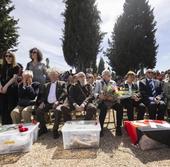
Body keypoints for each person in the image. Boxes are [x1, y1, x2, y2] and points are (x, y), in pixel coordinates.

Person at [36, 68, 68, 138]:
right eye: (51, 75)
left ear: (57, 76)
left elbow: (64, 93)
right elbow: (43, 95)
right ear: (49, 76)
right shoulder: (46, 85)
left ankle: (55, 129)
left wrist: (58, 101)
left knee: (57, 110)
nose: (52, 76)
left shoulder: (62, 83)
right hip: (48, 103)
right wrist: (42, 102)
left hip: (57, 103)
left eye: (54, 75)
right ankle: (43, 128)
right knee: (38, 110)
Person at [93, 69, 123, 136]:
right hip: (101, 101)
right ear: (103, 76)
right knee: (103, 108)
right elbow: (94, 93)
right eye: (106, 74)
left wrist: (113, 97)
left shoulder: (113, 82)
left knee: (120, 107)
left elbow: (117, 93)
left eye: (109, 74)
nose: (108, 75)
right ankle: (100, 128)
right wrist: (99, 96)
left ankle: (118, 127)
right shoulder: (98, 82)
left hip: (111, 101)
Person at [0, 51, 20, 124]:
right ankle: (4, 125)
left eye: (10, 56)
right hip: (2, 89)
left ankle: (12, 125)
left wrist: (5, 86)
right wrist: (0, 86)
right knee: (3, 107)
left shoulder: (16, 66)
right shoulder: (2, 66)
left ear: (13, 57)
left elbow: (14, 78)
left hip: (11, 88)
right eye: (6, 56)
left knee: (11, 107)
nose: (8, 57)